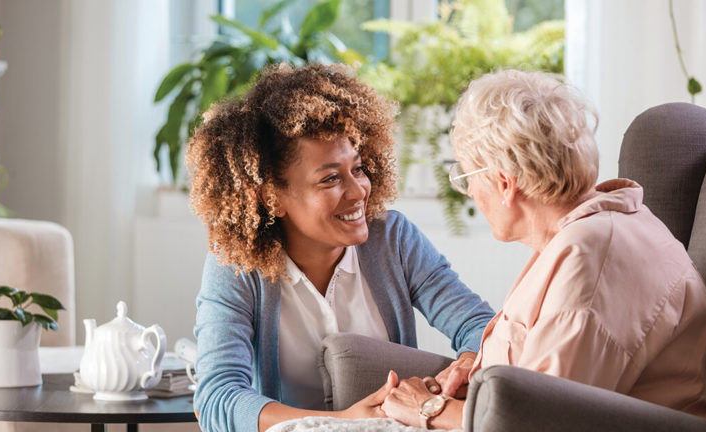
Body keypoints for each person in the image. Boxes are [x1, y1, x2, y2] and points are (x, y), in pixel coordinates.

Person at [381, 69, 706, 429]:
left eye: (465, 177)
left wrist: (429, 409)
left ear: (504, 183)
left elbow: (543, 419)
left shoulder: (591, 257)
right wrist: (480, 374)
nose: (471, 193)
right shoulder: (589, 232)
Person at [186, 63, 495, 432]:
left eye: (359, 168)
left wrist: (467, 362)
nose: (358, 191)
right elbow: (218, 399)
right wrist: (341, 424)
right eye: (330, 178)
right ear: (272, 197)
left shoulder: (393, 240)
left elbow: (481, 325)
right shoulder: (235, 266)